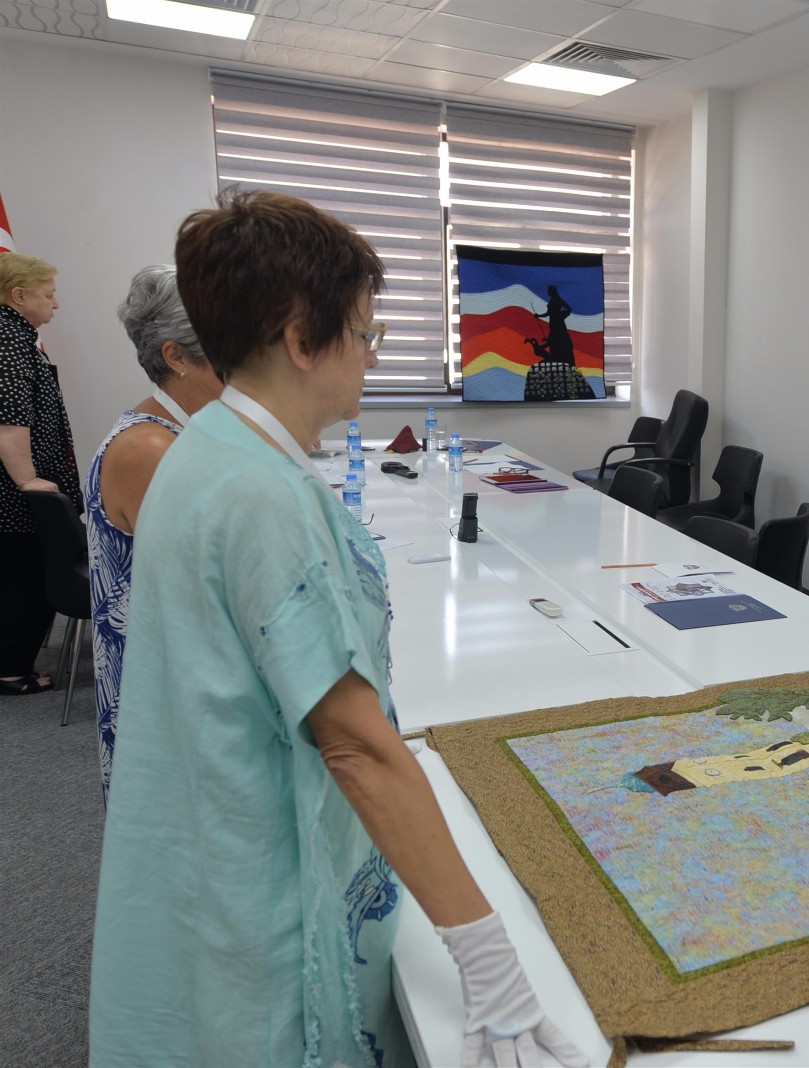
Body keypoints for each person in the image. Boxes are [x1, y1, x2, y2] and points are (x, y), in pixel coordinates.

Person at [90, 192, 587, 1068]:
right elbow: (354, 745)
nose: (372, 354)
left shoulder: (209, 446)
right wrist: (485, 951)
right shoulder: (262, 495)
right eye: (364, 332)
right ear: (299, 337)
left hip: (204, 839)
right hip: (260, 882)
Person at [85, 265, 224, 804]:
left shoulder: (183, 430)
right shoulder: (150, 449)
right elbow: (208, 592)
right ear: (176, 357)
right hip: (167, 693)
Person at [0, 251, 78, 696]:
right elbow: (9, 421)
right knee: (25, 577)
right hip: (14, 496)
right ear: (18, 295)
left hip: (17, 490)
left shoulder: (15, 335)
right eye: (49, 295)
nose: (56, 303)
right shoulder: (9, 340)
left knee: (21, 575)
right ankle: (11, 670)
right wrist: (28, 482)